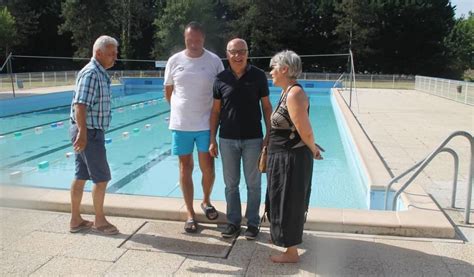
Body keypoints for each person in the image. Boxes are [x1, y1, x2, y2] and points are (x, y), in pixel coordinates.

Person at [164, 22, 224, 233]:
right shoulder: (174, 60)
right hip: (181, 124)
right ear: (185, 39)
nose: (194, 44)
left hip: (206, 123)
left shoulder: (214, 61)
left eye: (197, 40)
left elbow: (221, 92)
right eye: (190, 40)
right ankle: (190, 213)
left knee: (208, 167)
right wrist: (180, 110)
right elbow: (168, 92)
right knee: (185, 167)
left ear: (203, 39)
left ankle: (206, 201)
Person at [210, 38, 272, 240]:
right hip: (227, 139)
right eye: (233, 52)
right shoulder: (220, 78)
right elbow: (216, 111)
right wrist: (212, 138)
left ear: (247, 53)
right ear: (227, 54)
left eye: (241, 51)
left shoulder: (258, 76)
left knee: (254, 184)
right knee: (231, 184)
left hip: (254, 138)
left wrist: (269, 134)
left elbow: (266, 106)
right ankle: (233, 223)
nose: (237, 56)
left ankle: (253, 223)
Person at [265, 50, 323, 263]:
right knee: (280, 199)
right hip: (282, 157)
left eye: (273, 67)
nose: (270, 72)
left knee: (288, 201)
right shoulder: (286, 91)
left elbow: (304, 130)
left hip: (290, 159)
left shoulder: (294, 93)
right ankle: (286, 243)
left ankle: (291, 253)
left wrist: (313, 149)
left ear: (284, 69)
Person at [69, 35, 119, 235]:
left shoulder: (99, 73)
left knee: (81, 176)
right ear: (98, 53)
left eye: (115, 54)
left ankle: (75, 220)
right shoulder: (91, 73)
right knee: (101, 178)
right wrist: (82, 133)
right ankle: (100, 221)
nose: (114, 58)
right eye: (111, 54)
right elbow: (80, 104)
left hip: (87, 130)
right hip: (88, 131)